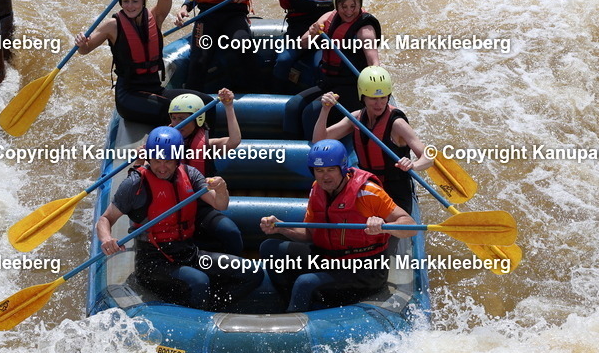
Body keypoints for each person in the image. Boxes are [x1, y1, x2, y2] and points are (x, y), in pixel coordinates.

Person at [97, 126, 262, 310]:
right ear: (149, 158)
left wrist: (222, 189)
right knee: (199, 281)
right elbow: (105, 219)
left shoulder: (190, 174)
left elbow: (220, 204)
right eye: (157, 160)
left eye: (168, 161)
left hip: (187, 252)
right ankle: (197, 313)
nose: (161, 167)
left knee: (251, 272)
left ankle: (213, 307)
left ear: (177, 159)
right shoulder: (135, 184)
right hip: (153, 261)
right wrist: (106, 238)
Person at [259, 140, 417, 312]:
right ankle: (293, 303)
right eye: (319, 171)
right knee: (269, 248)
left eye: (330, 170)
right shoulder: (316, 189)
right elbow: (310, 234)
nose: (325, 176)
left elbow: (410, 225)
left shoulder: (368, 192)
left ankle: (296, 323)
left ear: (342, 169)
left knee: (306, 282)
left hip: (364, 267)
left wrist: (385, 225)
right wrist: (281, 227)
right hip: (330, 259)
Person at [74, 0, 210, 125]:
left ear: (143, 1)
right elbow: (85, 49)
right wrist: (82, 43)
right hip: (129, 96)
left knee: (206, 103)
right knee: (180, 111)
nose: (130, 6)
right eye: (126, 1)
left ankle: (206, 148)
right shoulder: (112, 26)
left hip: (155, 89)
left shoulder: (156, 16)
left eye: (135, 1)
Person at [312, 66, 432, 213]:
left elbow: (428, 156)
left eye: (383, 98)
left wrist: (413, 165)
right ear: (363, 97)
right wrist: (325, 109)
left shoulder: (397, 124)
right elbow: (319, 141)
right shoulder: (355, 118)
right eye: (373, 99)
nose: (379, 103)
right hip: (367, 186)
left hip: (394, 192)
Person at [289, 0, 381, 138]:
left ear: (360, 4)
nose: (349, 11)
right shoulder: (327, 18)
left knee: (311, 113)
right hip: (329, 83)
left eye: (353, 6)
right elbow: (302, 44)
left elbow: (374, 61)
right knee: (293, 106)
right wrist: (312, 31)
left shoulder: (365, 30)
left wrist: (375, 88)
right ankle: (292, 150)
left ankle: (313, 154)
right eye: (343, 6)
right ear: (336, 5)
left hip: (351, 89)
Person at [168, 88, 244, 255]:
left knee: (231, 232)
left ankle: (237, 272)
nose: (176, 123)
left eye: (182, 118)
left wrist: (229, 107)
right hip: (170, 207)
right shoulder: (163, 143)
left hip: (202, 206)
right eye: (173, 118)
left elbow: (234, 141)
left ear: (198, 119)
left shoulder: (208, 145)